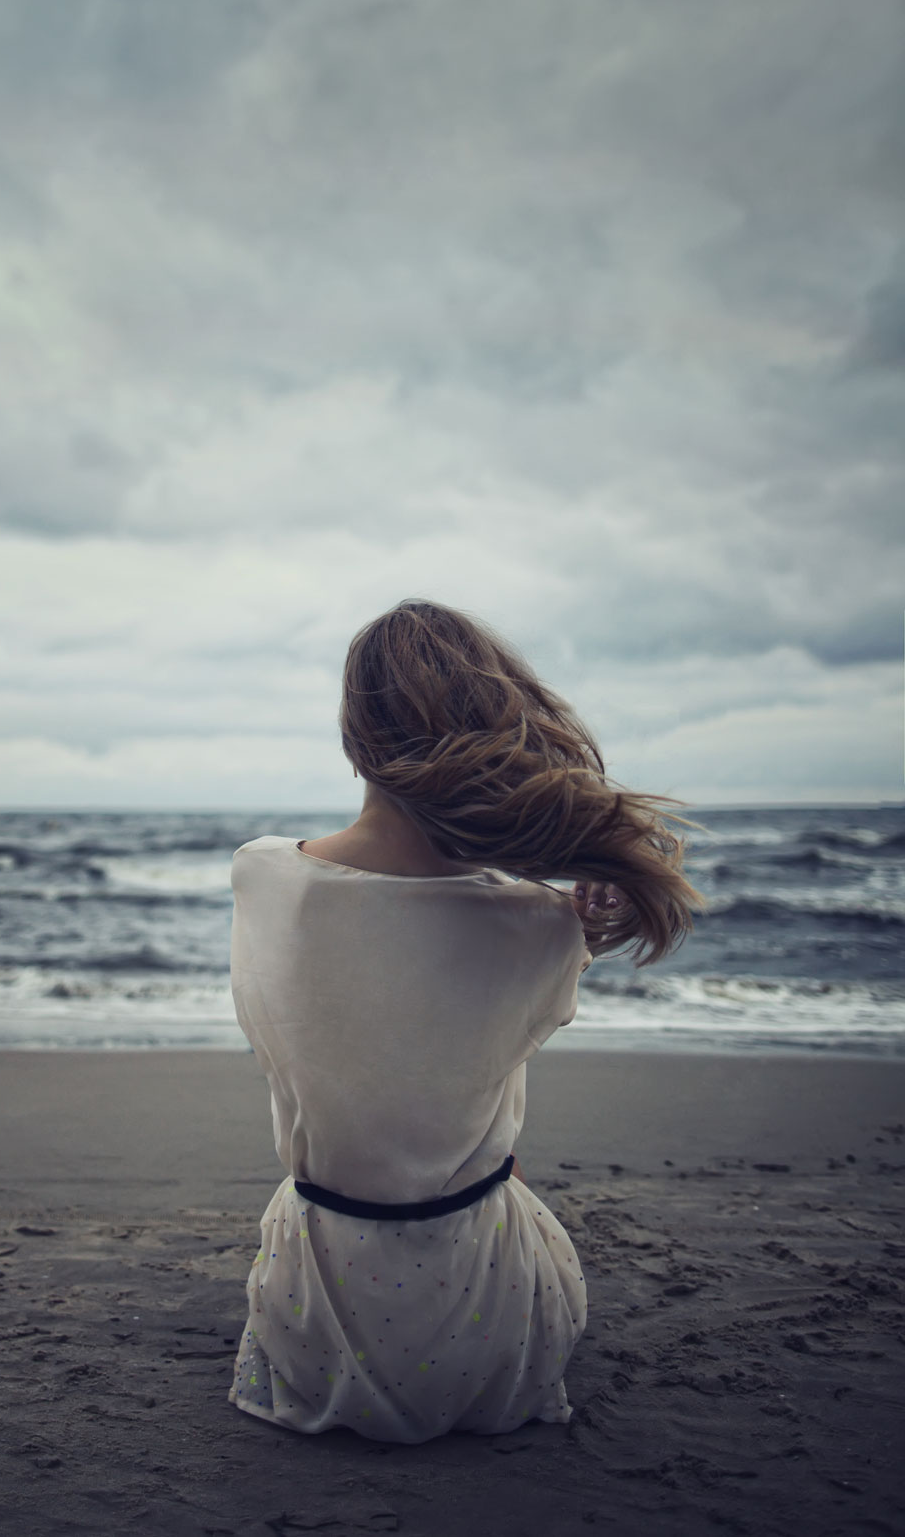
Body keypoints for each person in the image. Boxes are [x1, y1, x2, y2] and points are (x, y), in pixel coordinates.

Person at [227, 598, 701, 1444]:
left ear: (354, 735)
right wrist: (580, 928)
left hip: (315, 1313)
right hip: (486, 1319)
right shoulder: (533, 923)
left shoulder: (263, 875)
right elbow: (482, 1007)